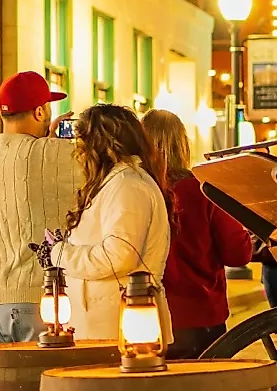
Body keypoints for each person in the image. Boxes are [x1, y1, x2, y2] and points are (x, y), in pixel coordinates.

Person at [0, 71, 80, 345]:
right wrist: (58, 143)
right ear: (40, 112)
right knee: (40, 387)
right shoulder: (52, 153)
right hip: (34, 298)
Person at [51, 105, 173, 344]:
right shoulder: (115, 182)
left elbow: (119, 255)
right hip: (104, 323)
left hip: (117, 326)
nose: (79, 151)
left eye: (82, 141)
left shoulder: (127, 185)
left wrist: (61, 253)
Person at [142, 109, 255, 359]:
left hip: (145, 315)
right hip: (200, 315)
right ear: (183, 144)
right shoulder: (204, 190)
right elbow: (237, 254)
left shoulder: (133, 188)